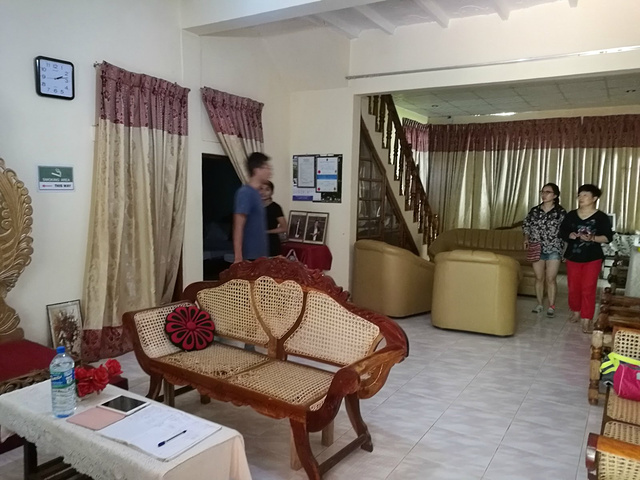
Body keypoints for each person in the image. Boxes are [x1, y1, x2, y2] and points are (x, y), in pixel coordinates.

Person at [559, 184, 613, 333]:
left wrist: (592, 238)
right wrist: (570, 235)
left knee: (588, 288)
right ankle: (576, 312)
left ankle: (586, 319)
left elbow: (607, 237)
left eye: (585, 195)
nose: (581, 198)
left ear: (594, 198)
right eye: (579, 195)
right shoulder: (571, 215)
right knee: (573, 287)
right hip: (573, 256)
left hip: (592, 257)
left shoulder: (601, 217)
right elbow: (562, 232)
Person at [522, 183, 566, 318]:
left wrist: (565, 250)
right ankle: (539, 304)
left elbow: (566, 232)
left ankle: (551, 306)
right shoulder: (534, 211)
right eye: (542, 192)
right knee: (539, 277)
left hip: (554, 248)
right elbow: (526, 226)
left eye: (548, 192)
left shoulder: (560, 212)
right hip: (537, 247)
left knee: (551, 278)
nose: (544, 194)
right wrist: (526, 239)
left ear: (555, 195)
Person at [232, 152, 272, 264]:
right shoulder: (245, 193)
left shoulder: (257, 194)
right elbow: (238, 226)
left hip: (260, 255)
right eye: (267, 168)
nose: (269, 172)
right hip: (250, 255)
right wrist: (238, 257)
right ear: (256, 170)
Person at [260, 181, 288, 257]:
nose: (263, 192)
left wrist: (266, 232)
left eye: (267, 189)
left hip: (271, 243)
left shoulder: (275, 208)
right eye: (261, 189)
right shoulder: (253, 206)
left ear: (272, 192)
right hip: (255, 242)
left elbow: (284, 228)